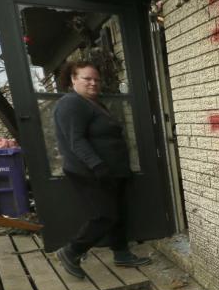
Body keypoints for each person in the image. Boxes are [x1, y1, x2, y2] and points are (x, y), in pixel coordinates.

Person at [54, 60, 150, 278]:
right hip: (90, 172)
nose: (93, 83)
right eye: (87, 79)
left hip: (112, 170)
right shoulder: (72, 103)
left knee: (119, 213)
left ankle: (122, 254)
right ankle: (71, 251)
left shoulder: (93, 103)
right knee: (104, 215)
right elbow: (76, 141)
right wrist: (97, 166)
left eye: (96, 79)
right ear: (73, 79)